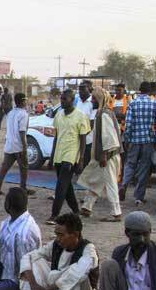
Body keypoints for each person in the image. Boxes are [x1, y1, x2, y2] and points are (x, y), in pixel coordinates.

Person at [16, 213, 99, 290]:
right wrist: (34, 285)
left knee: (77, 277)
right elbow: (28, 257)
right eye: (56, 235)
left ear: (75, 234)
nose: (58, 239)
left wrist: (48, 289)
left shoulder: (89, 251)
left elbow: (74, 277)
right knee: (35, 261)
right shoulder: (56, 245)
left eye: (61, 235)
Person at [78, 88, 122, 222]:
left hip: (107, 156)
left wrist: (103, 155)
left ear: (99, 99)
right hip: (104, 155)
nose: (92, 101)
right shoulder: (102, 113)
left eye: (94, 99)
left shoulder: (104, 114)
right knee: (96, 181)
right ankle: (87, 207)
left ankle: (116, 213)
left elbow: (109, 137)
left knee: (110, 184)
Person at [47, 89, 90, 224]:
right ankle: (76, 211)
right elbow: (56, 137)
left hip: (71, 155)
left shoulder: (80, 116)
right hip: (59, 154)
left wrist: (81, 159)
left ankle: (54, 215)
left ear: (72, 100)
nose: (62, 101)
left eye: (65, 99)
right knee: (66, 185)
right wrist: (52, 156)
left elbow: (83, 139)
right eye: (61, 99)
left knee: (61, 185)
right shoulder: (59, 115)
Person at [119, 82, 156, 207]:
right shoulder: (153, 104)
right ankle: (138, 197)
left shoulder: (132, 104)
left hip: (134, 140)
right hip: (148, 140)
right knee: (144, 168)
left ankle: (124, 184)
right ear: (149, 91)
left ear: (139, 91)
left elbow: (128, 124)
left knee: (130, 164)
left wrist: (127, 139)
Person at [0, 93, 34, 195]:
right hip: (19, 146)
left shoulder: (11, 113)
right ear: (23, 101)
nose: (26, 102)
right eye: (25, 100)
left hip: (9, 144)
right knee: (24, 168)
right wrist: (25, 147)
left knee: (4, 168)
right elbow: (22, 132)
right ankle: (23, 188)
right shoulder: (24, 114)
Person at [76, 81, 96, 169]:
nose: (80, 92)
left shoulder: (93, 102)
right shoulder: (78, 102)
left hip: (88, 139)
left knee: (86, 163)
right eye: (79, 90)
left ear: (89, 90)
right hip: (77, 137)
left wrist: (82, 135)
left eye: (83, 90)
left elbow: (92, 124)